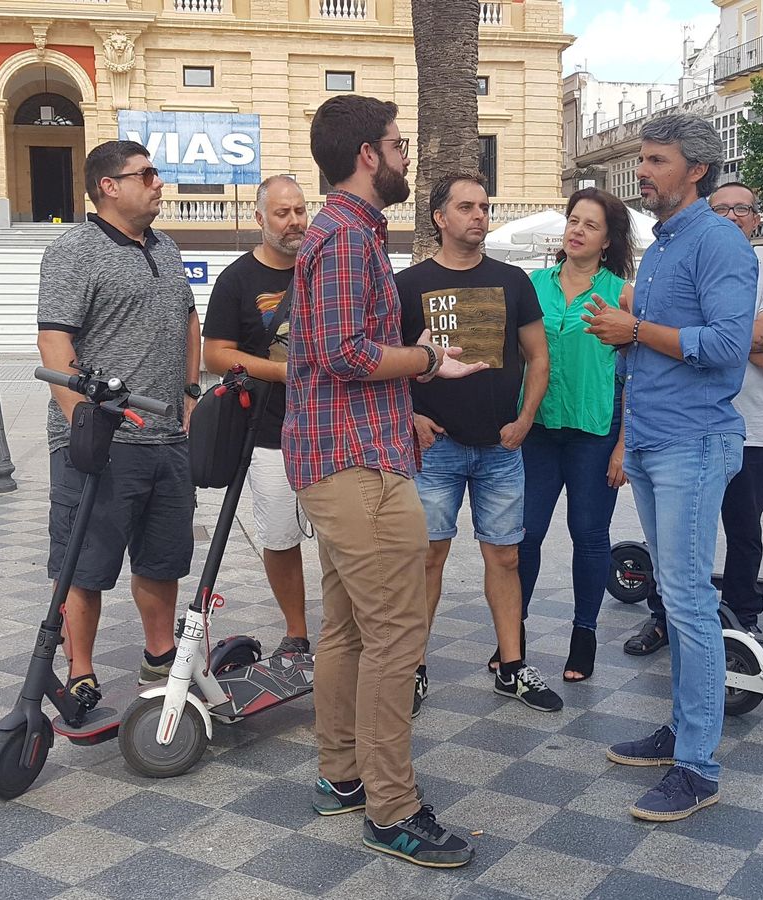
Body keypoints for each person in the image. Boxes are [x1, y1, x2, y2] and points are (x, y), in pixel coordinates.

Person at [285, 93, 483, 868]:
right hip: (354, 469)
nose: (406, 157)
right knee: (398, 635)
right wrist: (432, 361)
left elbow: (345, 357)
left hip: (354, 453)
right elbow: (343, 353)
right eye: (399, 145)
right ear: (368, 153)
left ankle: (341, 778)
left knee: (350, 630)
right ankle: (390, 809)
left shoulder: (350, 233)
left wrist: (406, 405)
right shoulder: (342, 238)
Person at [581, 114, 755, 823]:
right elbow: (655, 349)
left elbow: (726, 345)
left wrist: (635, 330)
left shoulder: (718, 242)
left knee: (687, 605)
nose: (642, 171)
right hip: (654, 440)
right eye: (643, 159)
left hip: (693, 442)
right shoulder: (662, 246)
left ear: (696, 171)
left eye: (656, 161)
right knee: (677, 600)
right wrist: (625, 339)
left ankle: (699, 768)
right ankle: (682, 732)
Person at [35, 140, 199, 707]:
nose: (158, 184)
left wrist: (189, 392)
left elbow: (188, 319)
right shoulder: (73, 251)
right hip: (101, 441)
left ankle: (159, 659)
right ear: (109, 185)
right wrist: (81, 421)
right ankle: (80, 670)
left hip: (164, 437)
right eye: (146, 174)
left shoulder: (168, 247)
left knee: (163, 558)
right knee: (85, 565)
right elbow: (54, 338)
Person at [396, 173, 559, 714]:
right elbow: (389, 364)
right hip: (435, 448)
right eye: (465, 207)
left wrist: (526, 419)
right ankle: (413, 667)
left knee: (506, 556)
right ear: (439, 217)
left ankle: (512, 666)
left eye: (484, 207)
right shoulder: (408, 284)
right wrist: (413, 413)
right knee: (427, 559)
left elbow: (538, 358)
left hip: (501, 447)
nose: (478, 216)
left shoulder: (513, 281)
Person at [622, 183, 763, 654]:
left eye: (743, 209)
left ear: (756, 219)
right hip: (678, 425)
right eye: (722, 208)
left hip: (747, 427)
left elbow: (752, 334)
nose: (732, 216)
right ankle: (662, 620)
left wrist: (729, 341)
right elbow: (746, 341)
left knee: (742, 530)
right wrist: (743, 345)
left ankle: (743, 622)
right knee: (678, 554)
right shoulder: (675, 254)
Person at [517, 187, 635, 683]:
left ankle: (583, 634)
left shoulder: (622, 294)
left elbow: (640, 375)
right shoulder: (530, 285)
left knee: (589, 536)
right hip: (536, 429)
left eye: (590, 224)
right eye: (573, 220)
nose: (577, 230)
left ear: (607, 241)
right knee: (524, 535)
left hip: (594, 433)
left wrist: (625, 444)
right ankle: (512, 633)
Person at [202, 174, 312, 656]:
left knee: (342, 540)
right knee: (281, 537)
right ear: (260, 218)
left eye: (300, 211)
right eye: (282, 213)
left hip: (332, 431)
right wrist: (284, 372)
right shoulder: (236, 280)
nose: (294, 222)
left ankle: (352, 637)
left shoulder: (327, 268)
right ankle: (297, 631)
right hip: (268, 434)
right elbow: (216, 355)